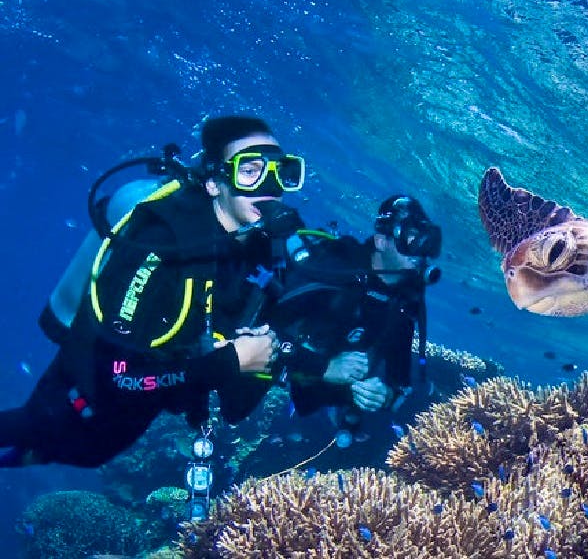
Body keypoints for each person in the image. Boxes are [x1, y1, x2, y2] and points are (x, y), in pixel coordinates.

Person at [0, 116, 306, 467]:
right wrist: (228, 361)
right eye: (249, 171)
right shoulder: (160, 243)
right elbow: (115, 376)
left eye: (281, 171)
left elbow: (231, 391)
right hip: (73, 406)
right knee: (32, 436)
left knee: (48, 455)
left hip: (121, 428)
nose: (269, 186)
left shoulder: (252, 251)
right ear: (213, 183)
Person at [268, 195, 442, 434]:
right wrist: (323, 367)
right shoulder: (335, 270)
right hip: (274, 373)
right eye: (410, 238)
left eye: (425, 241)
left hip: (321, 399)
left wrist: (385, 396)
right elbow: (262, 332)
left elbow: (399, 380)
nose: (420, 251)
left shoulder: (405, 301)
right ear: (381, 240)